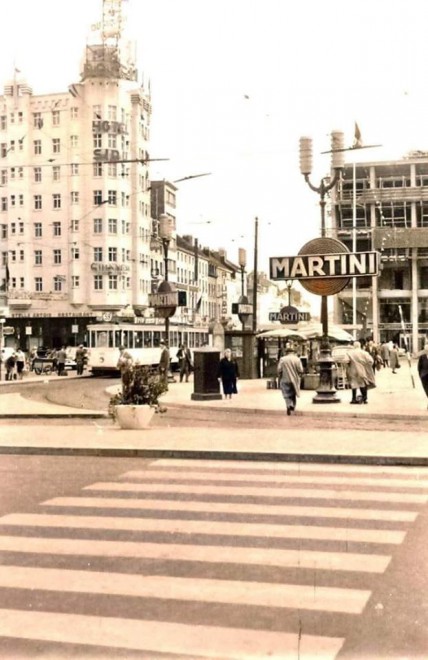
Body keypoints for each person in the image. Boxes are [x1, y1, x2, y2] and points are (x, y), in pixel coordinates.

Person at [277, 346, 304, 415]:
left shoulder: (282, 359)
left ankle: (289, 405)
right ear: (293, 352)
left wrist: (280, 376)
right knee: (293, 393)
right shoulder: (297, 359)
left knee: (286, 394)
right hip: (295, 379)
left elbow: (279, 369)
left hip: (285, 379)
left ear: (286, 352)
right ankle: (293, 405)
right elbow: (300, 370)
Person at [417, 343, 428, 409]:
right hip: (424, 376)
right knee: (426, 390)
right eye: (426, 349)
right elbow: (419, 367)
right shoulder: (422, 357)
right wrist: (420, 375)